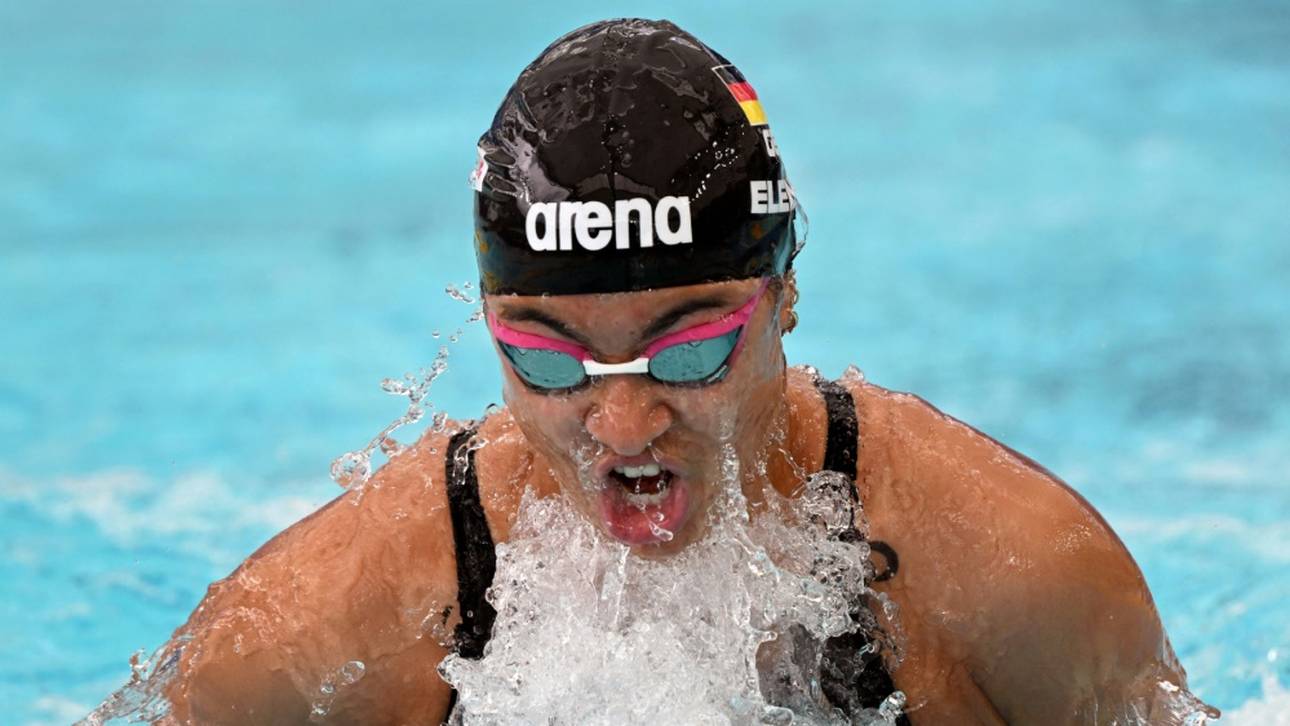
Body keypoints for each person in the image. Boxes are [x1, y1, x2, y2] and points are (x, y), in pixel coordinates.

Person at [151, 18, 1214, 725]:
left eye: (690, 351)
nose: (621, 423)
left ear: (784, 294)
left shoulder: (1015, 582)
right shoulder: (324, 626)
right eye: (550, 361)